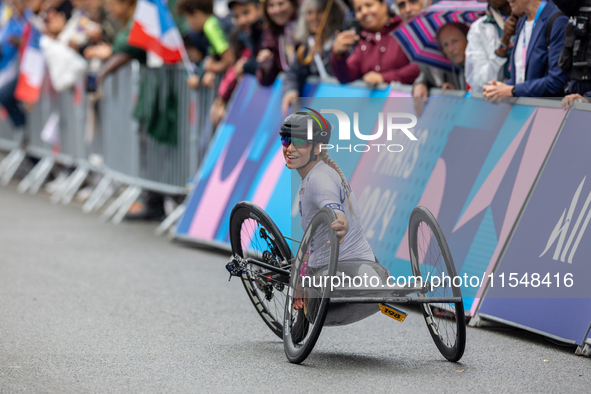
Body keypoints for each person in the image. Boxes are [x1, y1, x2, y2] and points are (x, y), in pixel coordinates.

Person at [280, 111, 389, 326]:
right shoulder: (324, 171)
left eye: (300, 142)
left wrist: (340, 221)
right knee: (295, 269)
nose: (290, 148)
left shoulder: (318, 179)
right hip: (373, 270)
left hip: (349, 279)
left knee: (304, 300)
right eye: (286, 140)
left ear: (317, 147)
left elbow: (333, 207)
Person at [482, 0, 568, 98]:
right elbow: (522, 78)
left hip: (546, 110)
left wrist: (512, 90)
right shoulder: (522, 22)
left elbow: (556, 82)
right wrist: (499, 89)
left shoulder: (557, 21)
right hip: (525, 109)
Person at [331, 0, 420, 86]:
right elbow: (346, 77)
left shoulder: (405, 29)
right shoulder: (363, 42)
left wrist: (384, 78)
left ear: (384, 5)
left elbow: (420, 67)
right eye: (359, 9)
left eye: (369, 5)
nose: (364, 12)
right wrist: (338, 54)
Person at [281, 0, 344, 115]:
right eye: (309, 13)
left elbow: (343, 75)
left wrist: (323, 57)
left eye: (319, 12)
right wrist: (290, 90)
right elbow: (293, 73)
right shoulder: (307, 45)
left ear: (331, 14)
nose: (314, 17)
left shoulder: (341, 41)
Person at [210, 0, 264, 126]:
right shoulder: (239, 37)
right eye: (237, 16)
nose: (242, 20)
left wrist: (246, 66)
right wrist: (221, 98)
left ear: (260, 8)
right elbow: (234, 69)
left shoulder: (267, 34)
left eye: (246, 13)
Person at [177, 0, 235, 89]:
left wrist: (212, 68)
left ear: (197, 14)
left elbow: (229, 60)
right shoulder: (213, 22)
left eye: (187, 17)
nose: (188, 22)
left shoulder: (211, 26)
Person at [465, 0, 518, 92]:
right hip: (500, 102)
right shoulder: (479, 28)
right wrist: (503, 44)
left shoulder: (532, 18)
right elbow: (482, 83)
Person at [412, 22, 469, 98]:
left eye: (455, 41)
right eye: (445, 45)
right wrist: (455, 92)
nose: (450, 49)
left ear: (468, 38)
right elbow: (425, 75)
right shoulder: (451, 66)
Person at [256, 0, 298, 86]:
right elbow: (266, 82)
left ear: (293, 4)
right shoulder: (270, 34)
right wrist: (267, 66)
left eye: (281, 4)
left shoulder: (308, 24)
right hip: (292, 89)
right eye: (271, 5)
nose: (277, 10)